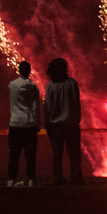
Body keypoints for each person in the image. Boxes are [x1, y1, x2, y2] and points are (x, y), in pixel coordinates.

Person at [44, 57, 85, 185]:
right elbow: (75, 103)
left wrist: (48, 124)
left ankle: (57, 177)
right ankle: (76, 178)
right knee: (74, 154)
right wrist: (77, 119)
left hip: (55, 125)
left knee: (57, 155)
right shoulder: (71, 84)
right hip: (70, 124)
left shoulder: (50, 86)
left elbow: (48, 106)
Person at [7, 60, 41, 187]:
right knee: (30, 154)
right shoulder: (33, 87)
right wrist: (37, 123)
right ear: (29, 71)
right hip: (29, 123)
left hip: (15, 123)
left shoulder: (12, 85)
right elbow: (35, 107)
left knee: (14, 154)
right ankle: (31, 179)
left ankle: (11, 179)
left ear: (19, 70)